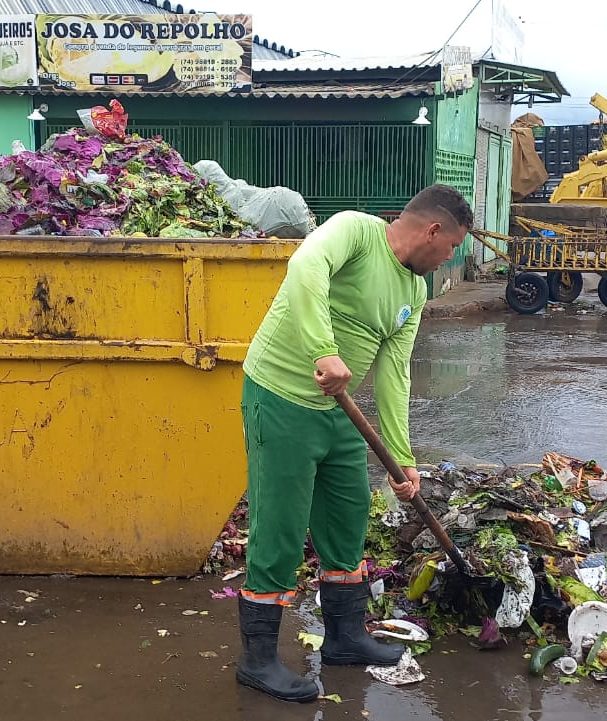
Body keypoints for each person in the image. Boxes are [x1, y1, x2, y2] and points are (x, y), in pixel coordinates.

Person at [235, 184, 473, 702]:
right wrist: (323, 349)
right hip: (280, 396)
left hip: (339, 411)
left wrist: (402, 459)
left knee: (348, 519)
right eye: (453, 246)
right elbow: (304, 270)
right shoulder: (354, 231)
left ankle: (344, 637)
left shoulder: (414, 291)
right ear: (433, 231)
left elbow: (394, 374)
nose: (451, 256)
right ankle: (256, 661)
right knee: (279, 526)